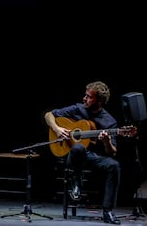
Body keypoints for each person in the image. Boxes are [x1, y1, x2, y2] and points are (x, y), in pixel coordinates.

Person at [44, 81, 122, 224]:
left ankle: (108, 212)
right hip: (73, 155)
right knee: (78, 147)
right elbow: (49, 115)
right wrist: (57, 129)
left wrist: (106, 142)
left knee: (114, 165)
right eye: (85, 96)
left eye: (89, 97)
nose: (84, 99)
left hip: (94, 157)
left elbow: (113, 152)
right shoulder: (78, 109)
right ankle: (76, 181)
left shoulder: (110, 122)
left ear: (100, 100)